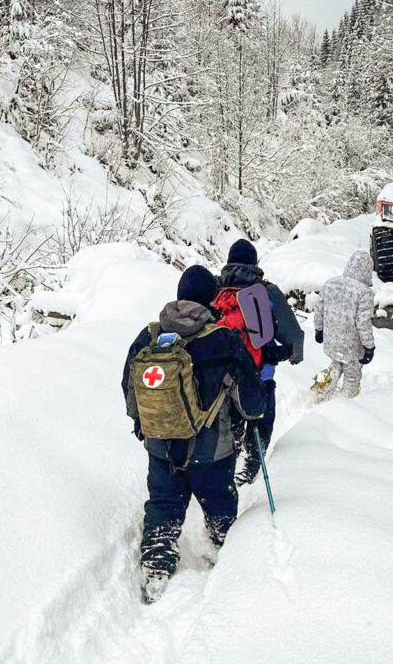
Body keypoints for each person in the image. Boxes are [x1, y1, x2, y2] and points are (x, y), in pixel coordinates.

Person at [122, 264, 265, 604]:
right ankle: (222, 555)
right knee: (219, 507)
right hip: (213, 451)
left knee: (163, 506)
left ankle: (156, 569)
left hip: (161, 447)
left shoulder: (149, 336)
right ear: (211, 297)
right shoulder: (224, 339)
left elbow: (129, 390)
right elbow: (251, 402)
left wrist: (148, 429)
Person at [215, 238, 304, 484]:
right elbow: (292, 335)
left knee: (229, 421)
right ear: (255, 263)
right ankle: (251, 467)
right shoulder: (267, 291)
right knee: (260, 422)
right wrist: (293, 355)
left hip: (223, 377)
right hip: (260, 375)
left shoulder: (216, 289)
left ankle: (228, 461)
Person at [313, 250, 376, 399]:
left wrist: (319, 329)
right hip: (352, 346)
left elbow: (319, 309)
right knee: (352, 375)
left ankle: (320, 388)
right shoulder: (364, 292)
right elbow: (363, 323)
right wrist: (369, 347)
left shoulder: (330, 284)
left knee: (335, 364)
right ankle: (345, 402)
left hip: (332, 340)